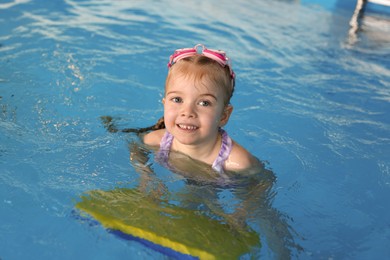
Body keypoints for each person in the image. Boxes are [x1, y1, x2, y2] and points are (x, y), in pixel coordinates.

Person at [142, 44, 260, 174]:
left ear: (223, 116)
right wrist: (146, 175)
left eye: (204, 103)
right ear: (165, 104)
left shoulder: (238, 163)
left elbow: (259, 188)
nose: (187, 112)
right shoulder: (154, 141)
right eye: (177, 99)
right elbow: (135, 151)